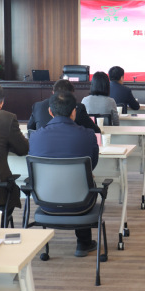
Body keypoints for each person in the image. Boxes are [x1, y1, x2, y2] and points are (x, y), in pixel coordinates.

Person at [29, 91, 100, 257]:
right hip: (82, 203)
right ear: (74, 111)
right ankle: (83, 243)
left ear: (50, 112)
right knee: (84, 183)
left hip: (45, 201)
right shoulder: (88, 135)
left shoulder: (35, 136)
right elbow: (92, 164)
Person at [27, 79, 99, 133]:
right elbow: (95, 130)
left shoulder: (38, 106)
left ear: (53, 92)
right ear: (72, 94)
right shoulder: (78, 108)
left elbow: (30, 128)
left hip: (42, 145)